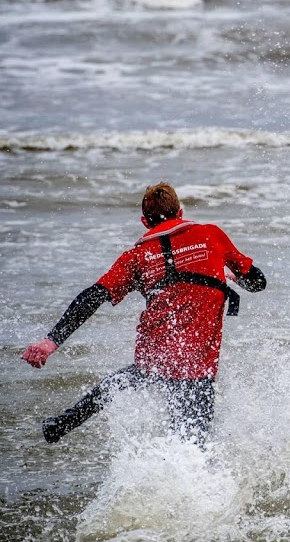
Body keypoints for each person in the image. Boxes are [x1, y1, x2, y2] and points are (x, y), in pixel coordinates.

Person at [21, 182, 267, 446]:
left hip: (155, 352)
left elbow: (92, 296)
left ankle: (66, 421)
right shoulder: (211, 235)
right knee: (193, 445)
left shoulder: (138, 256)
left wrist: (51, 341)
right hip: (197, 360)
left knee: (138, 374)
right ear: (180, 213)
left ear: (144, 221)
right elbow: (257, 282)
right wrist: (227, 275)